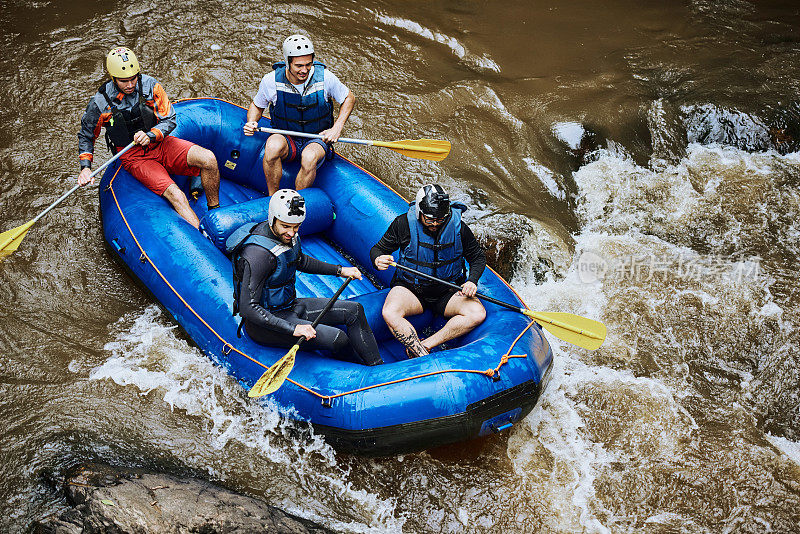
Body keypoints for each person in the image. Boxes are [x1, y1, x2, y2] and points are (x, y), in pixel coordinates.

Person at [230, 189, 383, 366]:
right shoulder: (258, 255)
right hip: (266, 325)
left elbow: (299, 260)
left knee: (354, 310)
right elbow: (248, 308)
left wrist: (340, 270)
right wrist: (293, 328)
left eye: (296, 227)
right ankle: (364, 374)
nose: (292, 232)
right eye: (286, 226)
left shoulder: (289, 235)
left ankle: (377, 367)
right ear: (272, 219)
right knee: (338, 338)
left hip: (290, 306)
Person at [78, 46, 220, 229]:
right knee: (176, 195)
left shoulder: (151, 86)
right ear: (113, 78)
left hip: (160, 143)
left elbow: (169, 118)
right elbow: (87, 135)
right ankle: (206, 239)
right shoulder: (100, 103)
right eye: (123, 81)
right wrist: (85, 168)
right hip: (134, 156)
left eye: (133, 79)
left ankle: (215, 212)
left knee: (208, 158)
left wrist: (151, 135)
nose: (130, 85)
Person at [372, 184, 487, 358]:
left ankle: (426, 344)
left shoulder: (459, 228)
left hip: (447, 290)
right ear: (419, 212)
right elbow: (378, 249)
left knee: (477, 313)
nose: (434, 224)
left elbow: (477, 257)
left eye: (440, 220)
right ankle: (420, 354)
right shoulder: (403, 224)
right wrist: (377, 260)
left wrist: (472, 280)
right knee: (390, 312)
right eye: (430, 219)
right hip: (411, 289)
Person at [242, 34, 355, 195]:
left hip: (316, 138)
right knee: (272, 147)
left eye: (308, 65)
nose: (304, 70)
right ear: (288, 62)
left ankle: (296, 203)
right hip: (286, 136)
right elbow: (257, 106)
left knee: (309, 157)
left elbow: (349, 98)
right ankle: (273, 197)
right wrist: (252, 121)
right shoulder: (270, 81)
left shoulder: (326, 78)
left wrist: (337, 128)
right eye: (299, 66)